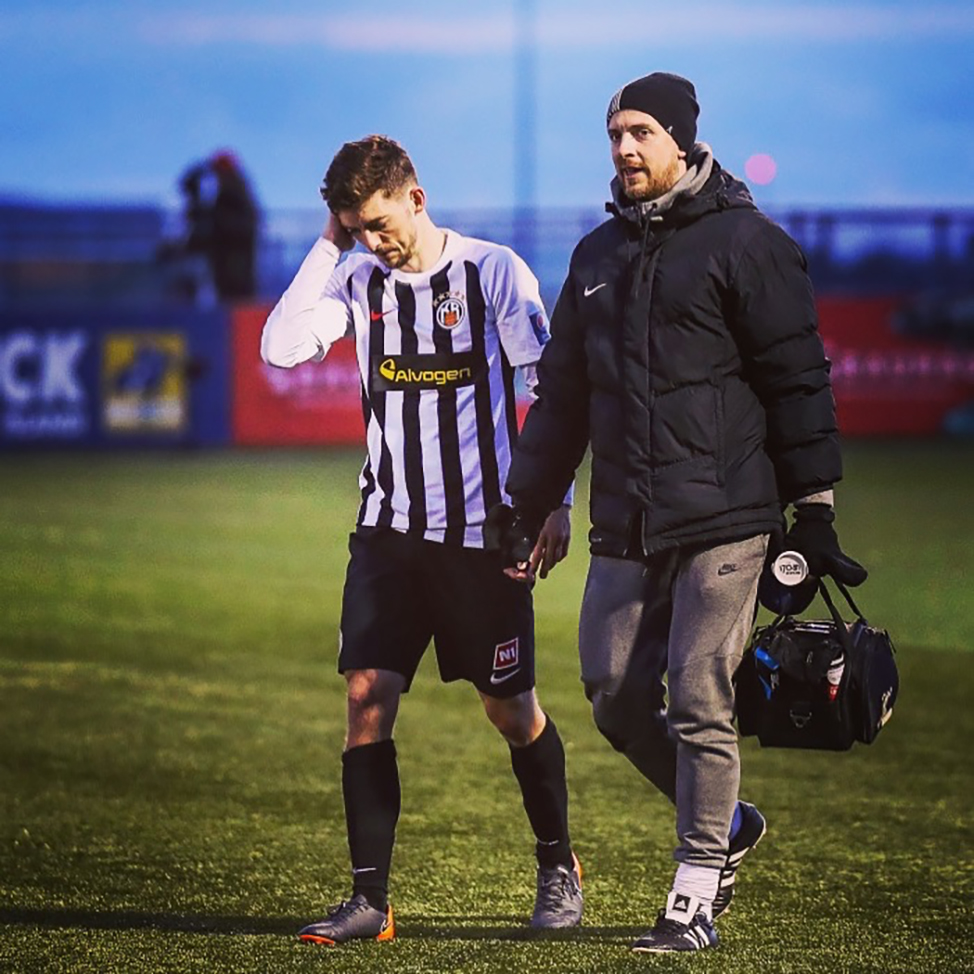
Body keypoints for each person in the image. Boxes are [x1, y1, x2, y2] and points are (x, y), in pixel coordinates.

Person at [491, 72, 867, 953]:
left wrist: (811, 512)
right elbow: (564, 397)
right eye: (615, 133)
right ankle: (729, 821)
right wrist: (529, 500)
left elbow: (797, 382)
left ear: (684, 141)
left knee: (700, 688)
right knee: (613, 692)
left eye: (640, 133)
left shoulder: (749, 243)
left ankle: (695, 888)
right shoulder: (594, 258)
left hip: (729, 514)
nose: (624, 148)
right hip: (627, 519)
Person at [260, 135, 583, 945]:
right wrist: (331, 243)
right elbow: (280, 346)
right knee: (367, 697)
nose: (377, 240)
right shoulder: (358, 278)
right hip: (387, 533)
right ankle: (369, 900)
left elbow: (546, 389)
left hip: (482, 539)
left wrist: (555, 502)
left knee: (510, 712)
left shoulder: (493, 273)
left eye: (379, 222)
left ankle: (558, 865)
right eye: (358, 227)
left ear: (416, 197)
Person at [176, 149, 258, 301]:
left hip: (234, 268)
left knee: (235, 301)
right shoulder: (235, 193)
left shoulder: (231, 195)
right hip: (233, 269)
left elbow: (228, 228)